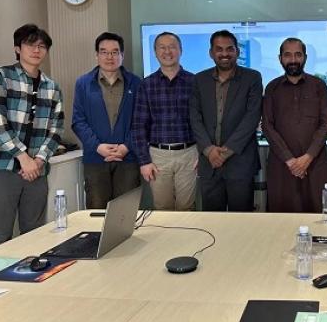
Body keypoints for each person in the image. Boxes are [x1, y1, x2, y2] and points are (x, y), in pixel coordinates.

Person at [0, 24, 64, 247]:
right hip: (2, 168)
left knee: (35, 234)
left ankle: (34, 278)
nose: (36, 50)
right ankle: (0, 282)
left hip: (37, 171)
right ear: (18, 48)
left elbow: (56, 129)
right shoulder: (1, 76)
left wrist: (38, 161)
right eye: (30, 44)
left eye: (42, 46)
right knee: (1, 236)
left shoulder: (52, 87)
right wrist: (23, 158)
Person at [189, 30, 263, 211]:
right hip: (209, 164)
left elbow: (252, 117)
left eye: (230, 49)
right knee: (212, 223)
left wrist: (226, 152)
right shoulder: (199, 80)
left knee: (242, 223)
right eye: (219, 49)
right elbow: (194, 117)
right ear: (211, 53)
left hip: (240, 162)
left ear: (237, 51)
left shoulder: (252, 78)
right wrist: (208, 150)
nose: (224, 54)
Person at [72, 32, 142, 209]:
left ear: (122, 55)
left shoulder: (136, 83)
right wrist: (98, 146)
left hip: (128, 158)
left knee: (125, 211)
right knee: (96, 211)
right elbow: (78, 121)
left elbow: (142, 121)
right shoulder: (83, 84)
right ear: (97, 55)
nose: (109, 57)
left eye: (114, 52)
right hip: (95, 158)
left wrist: (127, 146)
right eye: (104, 52)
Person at [262, 38, 327, 212]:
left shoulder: (319, 86)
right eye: (288, 55)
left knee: (319, 216)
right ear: (280, 58)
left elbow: (325, 123)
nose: (293, 60)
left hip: (315, 165)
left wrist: (307, 158)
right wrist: (290, 160)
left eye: (298, 54)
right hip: (282, 166)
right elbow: (267, 126)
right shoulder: (272, 88)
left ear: (305, 57)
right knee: (281, 220)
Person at [131, 32, 197, 211]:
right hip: (158, 156)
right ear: (155, 52)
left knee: (187, 208)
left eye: (172, 47)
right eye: (162, 47)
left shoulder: (194, 82)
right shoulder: (146, 85)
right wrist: (144, 161)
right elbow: (138, 126)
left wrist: (203, 154)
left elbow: (204, 121)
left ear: (181, 50)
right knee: (163, 209)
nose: (167, 51)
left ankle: (186, 240)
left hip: (189, 153)